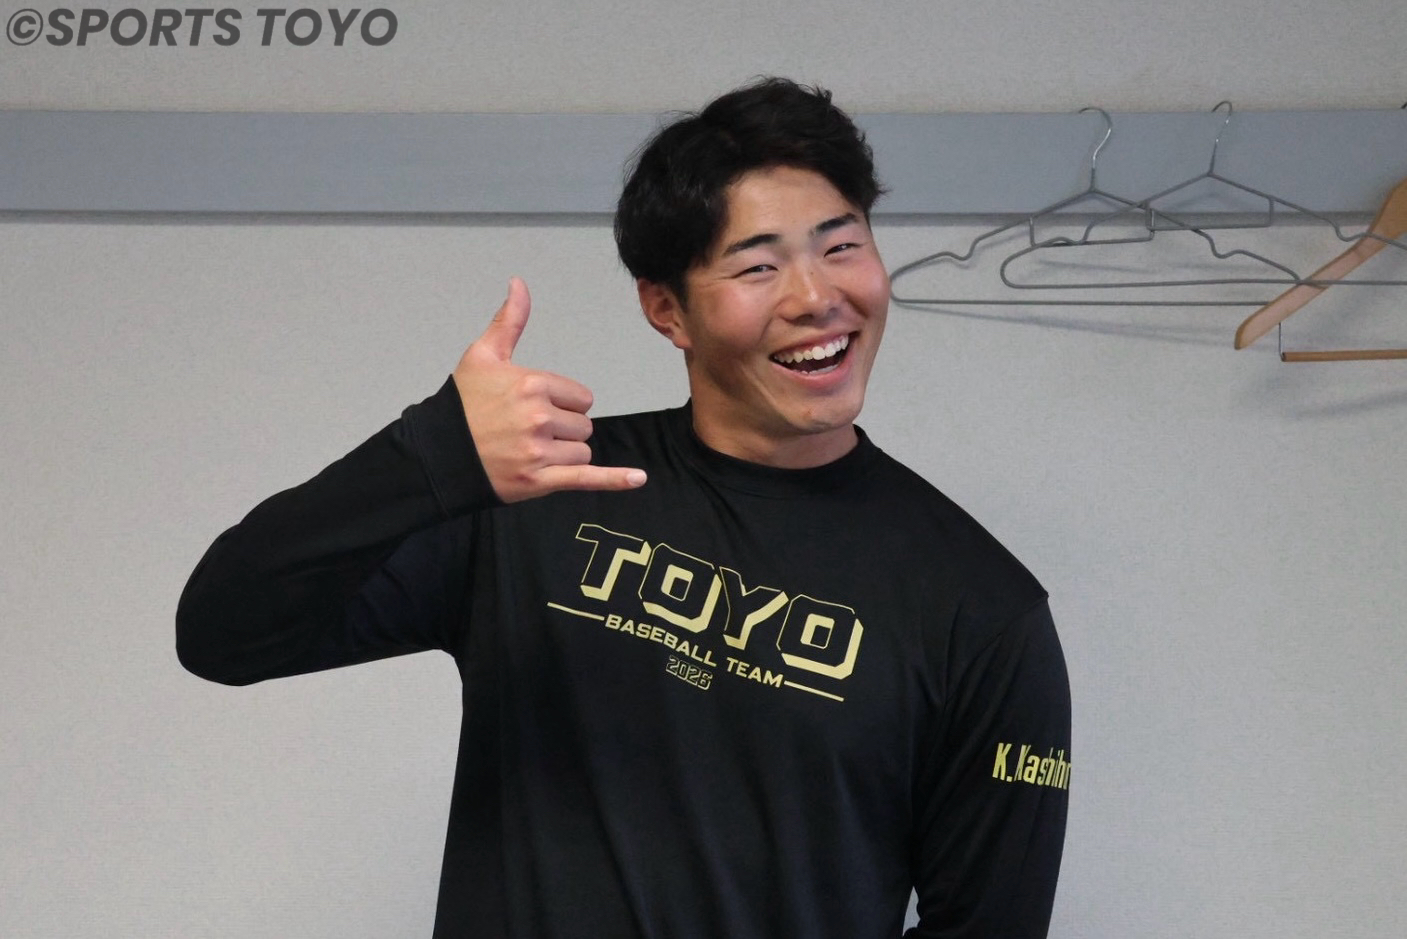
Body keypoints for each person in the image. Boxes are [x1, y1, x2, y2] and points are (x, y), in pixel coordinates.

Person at [177, 77, 1071, 938]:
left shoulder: (983, 608)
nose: (815, 298)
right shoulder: (534, 497)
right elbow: (223, 633)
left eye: (841, 247)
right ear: (666, 310)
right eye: (758, 265)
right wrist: (426, 457)